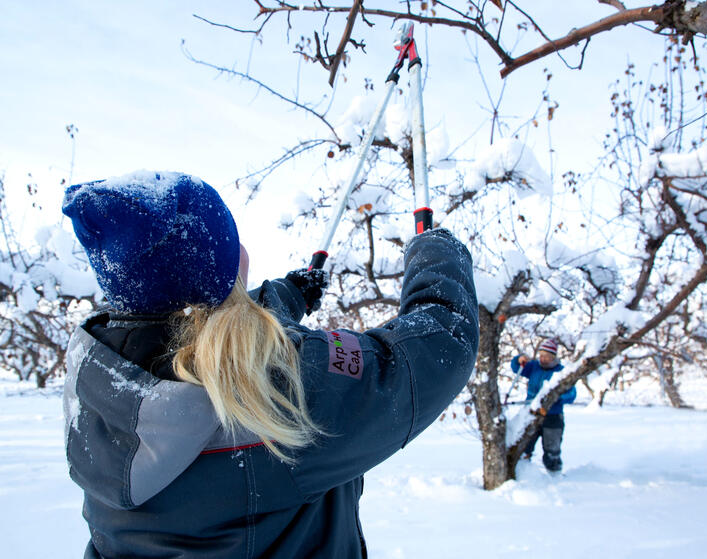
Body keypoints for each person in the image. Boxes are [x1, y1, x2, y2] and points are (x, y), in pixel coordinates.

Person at [61, 171, 479, 559]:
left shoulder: (100, 378)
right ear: (219, 273)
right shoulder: (277, 392)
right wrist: (435, 250)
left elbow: (203, 327)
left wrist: (291, 292)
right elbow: (441, 342)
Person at [510, 338, 576, 473]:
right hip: (532, 413)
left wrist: (557, 397)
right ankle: (523, 471)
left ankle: (554, 473)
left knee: (552, 448)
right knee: (525, 444)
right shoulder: (534, 366)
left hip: (553, 416)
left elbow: (571, 394)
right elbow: (516, 368)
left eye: (547, 356)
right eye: (541, 355)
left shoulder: (561, 372)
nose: (543, 359)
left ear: (553, 357)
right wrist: (518, 359)